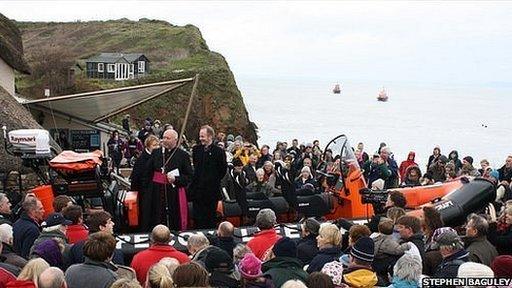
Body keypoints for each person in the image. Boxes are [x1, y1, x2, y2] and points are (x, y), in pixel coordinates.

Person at [146, 129, 193, 230]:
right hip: (157, 194)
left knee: (174, 221)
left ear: (175, 140)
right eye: (163, 138)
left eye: (168, 138)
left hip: (174, 195)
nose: (164, 140)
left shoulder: (183, 155)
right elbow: (147, 172)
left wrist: (176, 179)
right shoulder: (156, 153)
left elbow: (189, 177)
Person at [189, 125, 228, 229]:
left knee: (210, 217)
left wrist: (212, 179)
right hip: (197, 190)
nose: (200, 138)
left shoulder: (219, 151)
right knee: (197, 217)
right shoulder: (196, 149)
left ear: (210, 136)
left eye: (203, 136)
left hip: (211, 191)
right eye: (200, 136)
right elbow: (196, 168)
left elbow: (223, 169)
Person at [130, 135, 160, 232]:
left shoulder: (157, 157)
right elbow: (136, 178)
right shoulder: (142, 160)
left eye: (158, 145)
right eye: (154, 145)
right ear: (148, 146)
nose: (157, 147)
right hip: (145, 192)